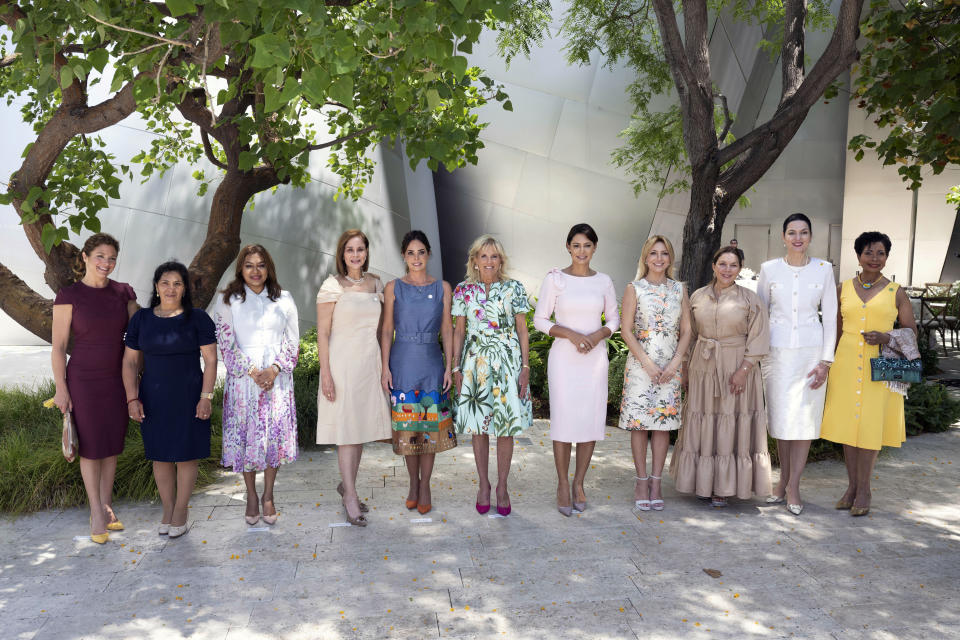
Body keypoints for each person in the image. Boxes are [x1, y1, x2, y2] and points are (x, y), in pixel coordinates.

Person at [820, 231, 917, 516]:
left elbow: (911, 331)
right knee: (850, 428)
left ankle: (864, 489)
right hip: (846, 363)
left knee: (871, 427)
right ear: (858, 255)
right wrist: (826, 363)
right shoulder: (842, 289)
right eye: (868, 253)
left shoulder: (896, 291)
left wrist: (887, 337)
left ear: (887, 257)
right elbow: (833, 330)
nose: (874, 259)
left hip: (882, 365)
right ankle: (851, 487)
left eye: (880, 253)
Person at [52, 233, 138, 544]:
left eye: (112, 258)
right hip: (84, 380)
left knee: (111, 445)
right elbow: (59, 347)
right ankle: (96, 512)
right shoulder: (68, 295)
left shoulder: (123, 293)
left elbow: (142, 331)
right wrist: (61, 389)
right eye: (100, 256)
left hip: (117, 379)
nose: (106, 263)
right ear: (85, 257)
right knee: (90, 448)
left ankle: (107, 505)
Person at [122, 261, 217, 538]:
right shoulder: (141, 320)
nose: (171, 288)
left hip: (189, 395)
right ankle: (167, 508)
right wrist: (132, 398)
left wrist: (206, 397)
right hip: (153, 396)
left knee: (186, 456)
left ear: (185, 288)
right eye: (165, 282)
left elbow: (210, 360)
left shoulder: (197, 318)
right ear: (156, 286)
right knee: (160, 456)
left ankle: (181, 511)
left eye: (177, 283)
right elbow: (129, 363)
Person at [671, 246, 771, 507]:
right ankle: (702, 484)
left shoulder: (750, 299)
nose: (727, 269)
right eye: (722, 264)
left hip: (736, 367)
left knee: (729, 422)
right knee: (703, 422)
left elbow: (759, 338)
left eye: (733, 265)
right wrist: (684, 368)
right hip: (702, 368)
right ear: (714, 266)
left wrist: (744, 370)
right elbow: (688, 335)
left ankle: (723, 488)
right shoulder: (697, 297)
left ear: (740, 269)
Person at [534, 223, 619, 516]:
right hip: (564, 360)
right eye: (576, 245)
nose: (582, 251)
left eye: (587, 245)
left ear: (595, 248)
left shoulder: (604, 281)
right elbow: (540, 320)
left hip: (594, 362)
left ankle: (579, 483)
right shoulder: (555, 280)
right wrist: (571, 334)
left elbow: (614, 320)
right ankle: (561, 483)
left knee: (588, 422)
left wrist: (595, 336)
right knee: (564, 421)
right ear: (568, 247)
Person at [213, 245, 300, 526]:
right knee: (246, 439)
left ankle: (268, 495)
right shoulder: (228, 300)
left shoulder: (284, 299)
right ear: (240, 268)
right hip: (244, 383)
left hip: (276, 381)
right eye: (249, 265)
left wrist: (273, 370)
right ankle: (251, 495)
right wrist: (253, 371)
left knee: (272, 438)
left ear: (269, 268)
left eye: (261, 265)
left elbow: (292, 340)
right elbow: (225, 342)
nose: (255, 271)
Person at [757, 213, 837, 516]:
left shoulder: (823, 269)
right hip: (776, 354)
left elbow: (830, 318)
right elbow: (760, 314)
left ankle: (793, 486)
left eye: (803, 232)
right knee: (781, 421)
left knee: (803, 422)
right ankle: (781, 482)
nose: (798, 238)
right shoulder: (769, 269)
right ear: (783, 236)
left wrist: (825, 362)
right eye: (792, 232)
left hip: (811, 355)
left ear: (811, 236)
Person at [452, 235, 532, 516]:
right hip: (474, 364)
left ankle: (502, 486)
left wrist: (525, 367)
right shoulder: (463, 290)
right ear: (474, 260)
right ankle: (483, 485)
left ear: (501, 261)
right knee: (479, 426)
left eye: (494, 256)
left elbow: (523, 329)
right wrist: (455, 367)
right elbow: (459, 331)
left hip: (508, 363)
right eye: (483, 256)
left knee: (506, 427)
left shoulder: (514, 288)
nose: (489, 262)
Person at [316, 229, 391, 527]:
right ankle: (350, 497)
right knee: (346, 432)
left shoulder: (376, 283)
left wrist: (384, 366)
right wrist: (326, 373)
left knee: (358, 431)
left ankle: (347, 486)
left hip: (368, 364)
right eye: (350, 249)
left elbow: (384, 329)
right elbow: (323, 333)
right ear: (342, 253)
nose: (355, 254)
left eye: (360, 249)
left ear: (366, 252)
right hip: (342, 364)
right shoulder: (332, 285)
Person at [380, 231, 456, 515]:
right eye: (411, 253)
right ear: (403, 255)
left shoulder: (443, 288)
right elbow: (387, 328)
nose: (416, 258)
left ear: (428, 254)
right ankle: (413, 483)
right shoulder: (393, 287)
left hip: (431, 362)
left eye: (421, 252)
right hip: (402, 362)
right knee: (409, 428)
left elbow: (447, 329)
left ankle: (426, 486)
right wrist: (384, 366)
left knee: (429, 428)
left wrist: (450, 364)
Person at [618, 235, 691, 512]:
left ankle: (657, 482)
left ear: (670, 258)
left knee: (662, 425)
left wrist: (675, 364)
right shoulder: (633, 288)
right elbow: (626, 331)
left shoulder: (678, 289)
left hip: (671, 366)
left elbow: (687, 331)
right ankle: (640, 481)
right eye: (653, 253)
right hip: (641, 366)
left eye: (664, 254)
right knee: (640, 424)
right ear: (645, 257)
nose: (659, 258)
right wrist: (647, 363)